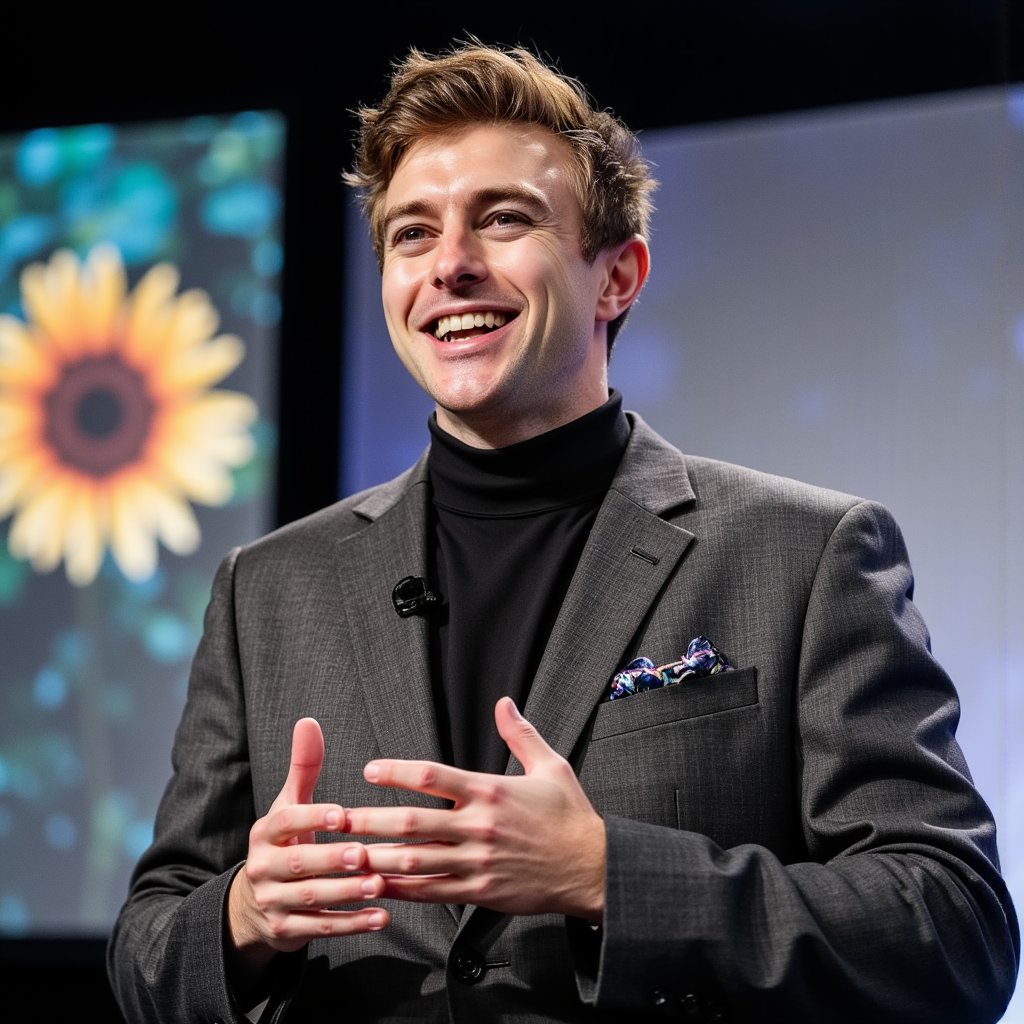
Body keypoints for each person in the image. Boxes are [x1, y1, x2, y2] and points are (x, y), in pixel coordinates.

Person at [106, 38, 1019, 1024]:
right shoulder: (266, 587)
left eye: (503, 219)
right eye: (411, 234)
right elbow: (149, 946)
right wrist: (244, 913)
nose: (450, 264)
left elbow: (953, 928)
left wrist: (606, 874)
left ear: (617, 276)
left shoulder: (805, 553)